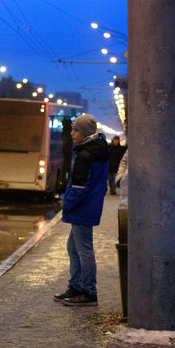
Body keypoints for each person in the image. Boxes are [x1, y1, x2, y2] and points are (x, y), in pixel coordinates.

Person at [54, 114, 109, 306]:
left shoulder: (85, 155)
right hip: (89, 207)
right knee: (74, 247)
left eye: (75, 130)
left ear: (85, 132)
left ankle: (88, 292)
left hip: (82, 209)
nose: (72, 133)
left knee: (84, 250)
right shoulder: (96, 151)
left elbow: (79, 187)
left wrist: (67, 203)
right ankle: (75, 286)